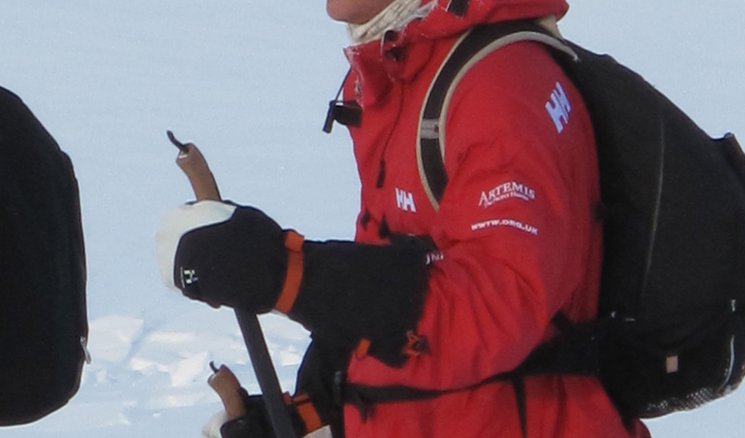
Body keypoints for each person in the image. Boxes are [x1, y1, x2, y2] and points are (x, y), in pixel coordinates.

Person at [156, 0, 652, 437]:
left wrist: (286, 275)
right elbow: (400, 311)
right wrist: (316, 413)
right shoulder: (403, 72)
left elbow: (493, 312)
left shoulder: (499, 88)